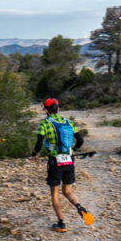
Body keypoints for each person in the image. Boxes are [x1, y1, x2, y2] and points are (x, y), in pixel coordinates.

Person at [30, 98, 95, 232]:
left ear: (46, 110)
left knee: (55, 193)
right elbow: (81, 140)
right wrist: (74, 151)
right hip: (69, 160)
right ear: (58, 109)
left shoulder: (45, 123)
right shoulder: (69, 122)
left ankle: (61, 224)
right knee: (68, 191)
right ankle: (79, 207)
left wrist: (34, 153)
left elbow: (39, 142)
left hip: (55, 161)